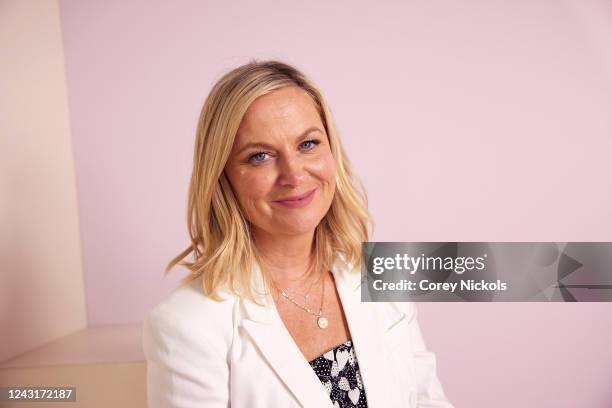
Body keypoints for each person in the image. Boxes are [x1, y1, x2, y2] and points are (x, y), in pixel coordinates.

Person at [142, 60, 453, 408]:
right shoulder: (187, 326)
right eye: (259, 156)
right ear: (222, 177)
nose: (293, 174)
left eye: (307, 144)